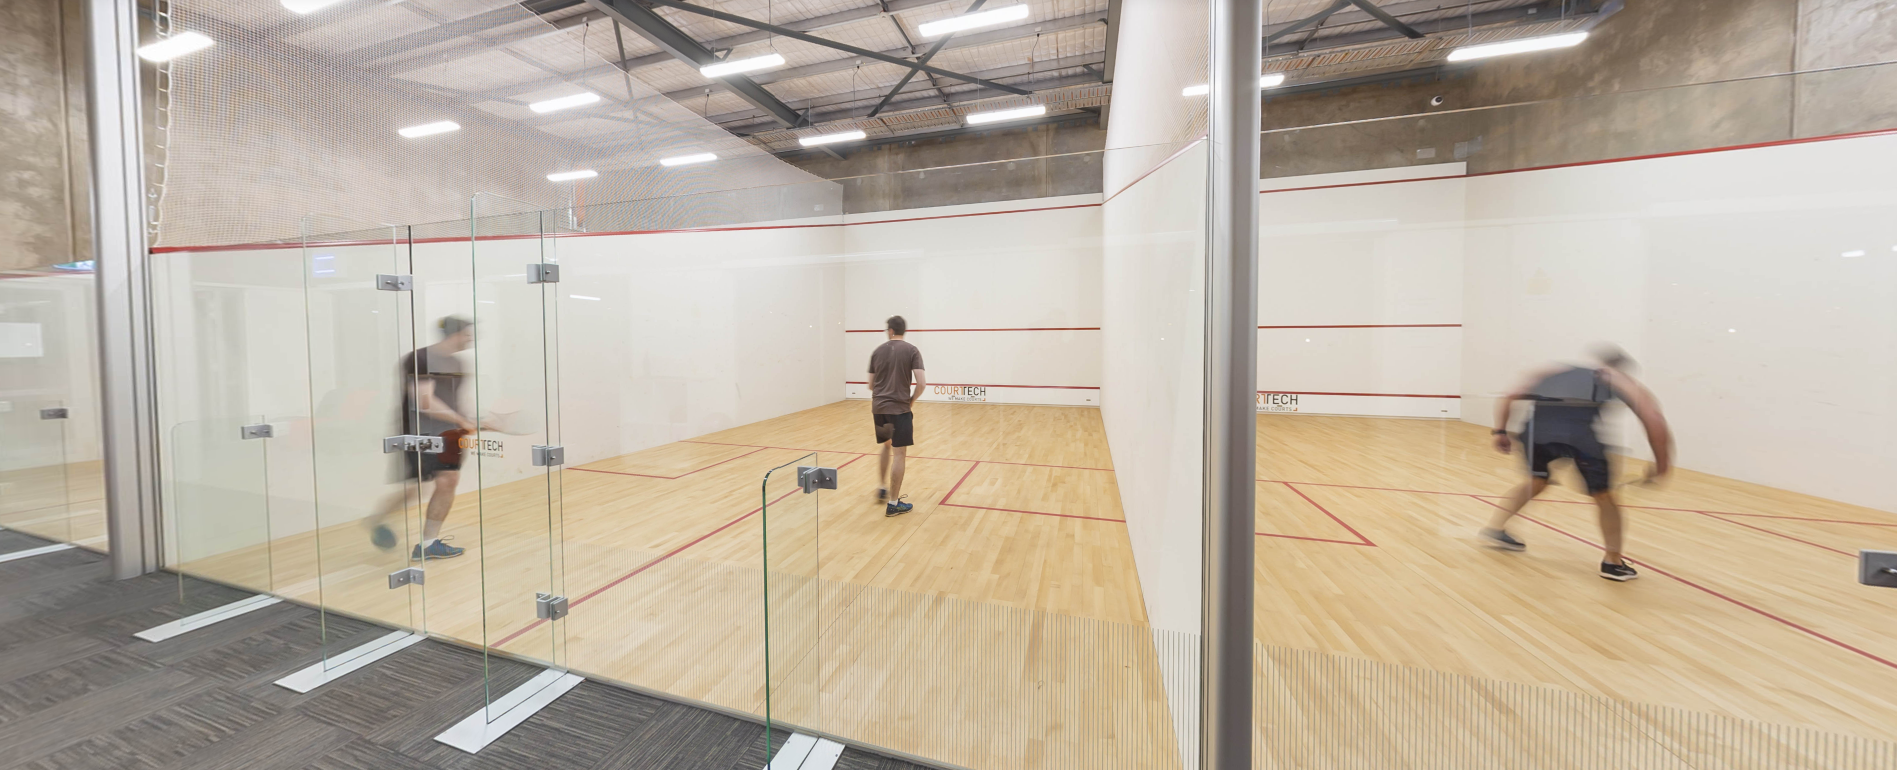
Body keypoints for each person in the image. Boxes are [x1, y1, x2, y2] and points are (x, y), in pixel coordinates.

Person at [1480, 344, 1672, 581]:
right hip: (1581, 440)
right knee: (1604, 496)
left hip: (1536, 436)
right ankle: (1613, 562)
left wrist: (1500, 431)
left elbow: (1510, 396)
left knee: (1536, 481)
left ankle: (1496, 530)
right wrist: (1662, 463)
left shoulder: (1551, 371)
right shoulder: (1617, 378)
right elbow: (1654, 419)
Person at [371, 316, 484, 560]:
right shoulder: (419, 359)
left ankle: (428, 544)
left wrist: (473, 418)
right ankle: (378, 520)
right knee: (416, 488)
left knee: (448, 480)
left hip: (448, 434)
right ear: (454, 335)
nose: (470, 338)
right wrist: (460, 420)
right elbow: (424, 401)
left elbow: (458, 399)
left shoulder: (458, 363)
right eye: (467, 334)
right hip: (419, 433)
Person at [867, 315, 926, 516]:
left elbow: (870, 385)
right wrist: (910, 401)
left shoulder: (877, 352)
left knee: (886, 446)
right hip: (900, 411)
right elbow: (921, 383)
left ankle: (882, 486)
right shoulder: (912, 350)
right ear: (903, 331)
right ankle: (893, 504)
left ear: (891, 331)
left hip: (879, 409)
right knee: (899, 454)